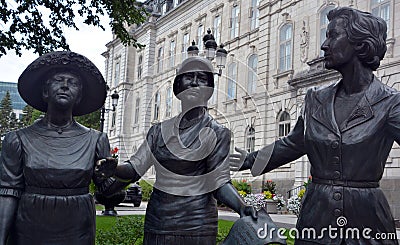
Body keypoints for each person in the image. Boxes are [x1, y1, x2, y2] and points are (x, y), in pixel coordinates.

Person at [230, 7, 398, 245]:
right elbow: (293, 143)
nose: (324, 45)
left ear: (361, 44)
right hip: (317, 217)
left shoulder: (390, 102)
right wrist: (248, 160)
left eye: (333, 36)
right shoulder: (315, 99)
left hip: (367, 220)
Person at [99, 56, 257, 245]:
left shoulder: (217, 132)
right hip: (159, 222)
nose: (195, 82)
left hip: (197, 223)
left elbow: (220, 182)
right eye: (188, 76)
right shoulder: (158, 131)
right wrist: (115, 169)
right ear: (178, 85)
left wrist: (242, 207)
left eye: (202, 78)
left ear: (209, 89)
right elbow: (134, 169)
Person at [0, 51, 117, 245]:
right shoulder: (17, 140)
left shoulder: (96, 139)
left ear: (79, 96)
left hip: (78, 229)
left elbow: (108, 193)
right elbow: (7, 193)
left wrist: (118, 174)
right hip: (29, 229)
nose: (65, 86)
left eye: (73, 83)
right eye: (58, 80)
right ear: (45, 91)